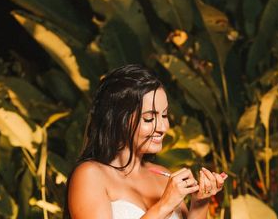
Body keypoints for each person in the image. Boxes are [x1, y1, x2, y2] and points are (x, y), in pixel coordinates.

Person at [68, 64, 227, 219]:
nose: (163, 127)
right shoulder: (90, 175)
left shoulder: (164, 176)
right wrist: (165, 204)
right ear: (118, 120)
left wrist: (200, 202)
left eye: (164, 115)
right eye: (149, 118)